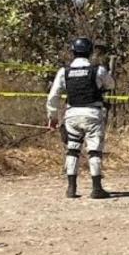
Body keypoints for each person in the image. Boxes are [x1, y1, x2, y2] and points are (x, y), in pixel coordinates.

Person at [46, 37, 115, 199]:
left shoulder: (64, 71)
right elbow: (111, 85)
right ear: (90, 52)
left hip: (72, 114)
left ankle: (71, 188)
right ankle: (97, 188)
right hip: (93, 114)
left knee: (72, 149)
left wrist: (52, 118)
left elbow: (53, 96)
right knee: (95, 151)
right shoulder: (97, 70)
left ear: (73, 52)